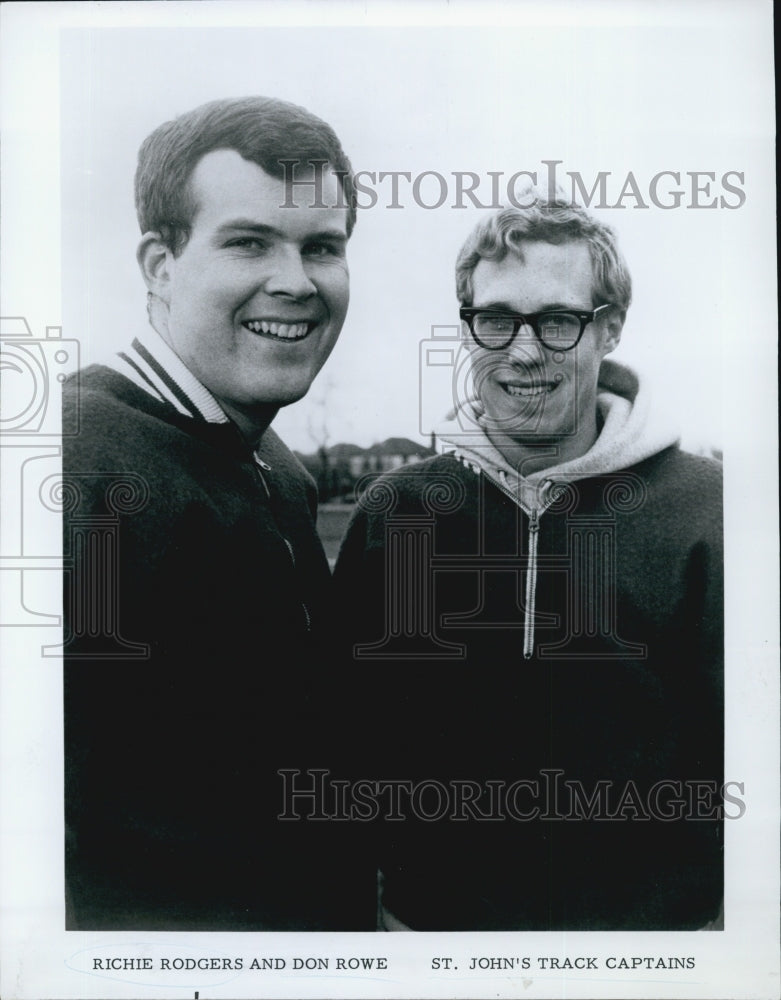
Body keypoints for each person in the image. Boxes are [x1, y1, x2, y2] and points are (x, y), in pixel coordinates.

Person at [333, 197, 724, 930]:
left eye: (556, 320)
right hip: (430, 946)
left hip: (649, 960)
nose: (521, 351)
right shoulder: (395, 512)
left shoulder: (712, 513)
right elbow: (343, 747)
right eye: (495, 319)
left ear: (608, 328)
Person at [62, 96, 374, 929]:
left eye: (322, 247)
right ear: (159, 265)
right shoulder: (71, 471)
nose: (296, 282)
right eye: (248, 242)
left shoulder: (274, 464)